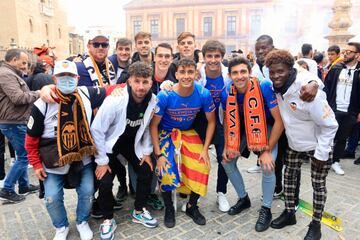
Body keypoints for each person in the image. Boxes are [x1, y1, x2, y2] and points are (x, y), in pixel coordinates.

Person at [25, 60, 111, 240]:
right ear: (54, 79)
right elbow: (31, 139)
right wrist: (35, 164)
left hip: (83, 158)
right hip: (53, 161)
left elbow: (113, 89)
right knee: (52, 197)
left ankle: (82, 221)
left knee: (87, 192)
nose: (67, 80)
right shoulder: (43, 103)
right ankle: (61, 226)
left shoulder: (86, 94)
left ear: (77, 78)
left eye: (70, 76)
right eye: (62, 76)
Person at [266, 49, 338, 240]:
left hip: (317, 145)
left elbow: (331, 125)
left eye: (280, 71)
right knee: (289, 177)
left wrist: (322, 154)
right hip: (295, 143)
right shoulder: (279, 86)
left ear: (290, 70)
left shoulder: (307, 92)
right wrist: (315, 81)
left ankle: (316, 224)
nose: (275, 76)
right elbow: (302, 71)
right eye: (272, 72)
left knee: (318, 185)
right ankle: (290, 213)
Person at [91, 62, 159, 239]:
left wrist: (146, 152)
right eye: (137, 81)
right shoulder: (115, 100)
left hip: (131, 143)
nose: (141, 86)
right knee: (104, 181)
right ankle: (107, 219)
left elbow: (145, 128)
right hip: (110, 144)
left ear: (151, 82)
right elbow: (97, 130)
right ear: (129, 81)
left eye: (145, 82)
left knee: (146, 170)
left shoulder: (152, 100)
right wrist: (102, 161)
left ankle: (139, 210)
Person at [150, 58, 216, 228]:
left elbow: (212, 122)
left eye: (190, 72)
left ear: (196, 74)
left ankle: (191, 206)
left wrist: (205, 149)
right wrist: (158, 155)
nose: (186, 76)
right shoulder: (165, 95)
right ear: (177, 74)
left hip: (188, 133)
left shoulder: (203, 94)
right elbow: (154, 125)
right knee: (165, 168)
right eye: (183, 72)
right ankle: (169, 208)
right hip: (166, 134)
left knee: (203, 165)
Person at [221, 57, 283, 232]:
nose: (239, 76)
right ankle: (243, 199)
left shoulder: (263, 86)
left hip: (267, 125)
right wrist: (228, 144)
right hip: (241, 126)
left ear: (249, 72)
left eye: (243, 72)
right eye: (235, 73)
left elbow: (279, 121)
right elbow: (227, 119)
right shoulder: (226, 92)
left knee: (268, 165)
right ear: (229, 75)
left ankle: (266, 208)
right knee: (227, 162)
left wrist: (266, 150)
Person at [0, 49, 40, 203]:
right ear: (14, 60)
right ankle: (7, 188)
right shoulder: (6, 74)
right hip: (13, 122)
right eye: (23, 62)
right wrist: (38, 93)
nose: (25, 66)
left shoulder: (10, 73)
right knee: (24, 156)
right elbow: (18, 98)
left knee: (21, 155)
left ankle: (23, 185)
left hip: (15, 121)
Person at [197, 40, 231, 212]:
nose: (212, 60)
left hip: (219, 121)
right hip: (198, 121)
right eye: (209, 56)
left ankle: (221, 192)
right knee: (196, 158)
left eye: (216, 56)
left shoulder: (228, 74)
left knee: (223, 158)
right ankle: (193, 193)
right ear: (204, 58)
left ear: (222, 57)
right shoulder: (197, 73)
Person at [324, 42, 360, 175]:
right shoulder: (336, 68)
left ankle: (335, 162)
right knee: (327, 136)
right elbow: (326, 88)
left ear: (357, 55)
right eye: (344, 51)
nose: (345, 54)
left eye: (349, 52)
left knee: (342, 138)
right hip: (333, 109)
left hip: (351, 111)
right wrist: (325, 106)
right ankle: (324, 160)